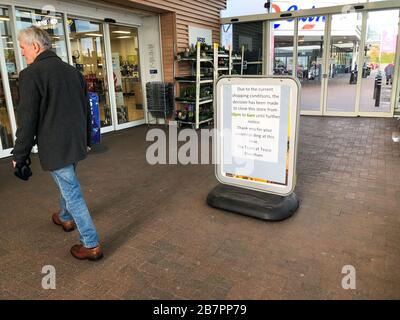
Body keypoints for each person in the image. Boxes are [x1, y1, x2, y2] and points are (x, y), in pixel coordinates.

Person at [12, 26, 103, 261]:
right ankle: (65, 217)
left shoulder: (31, 75)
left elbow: (27, 119)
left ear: (35, 46)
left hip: (55, 145)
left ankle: (91, 244)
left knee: (72, 191)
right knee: (68, 183)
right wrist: (86, 139)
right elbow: (86, 109)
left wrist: (19, 154)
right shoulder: (73, 72)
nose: (22, 53)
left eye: (22, 48)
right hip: (75, 143)